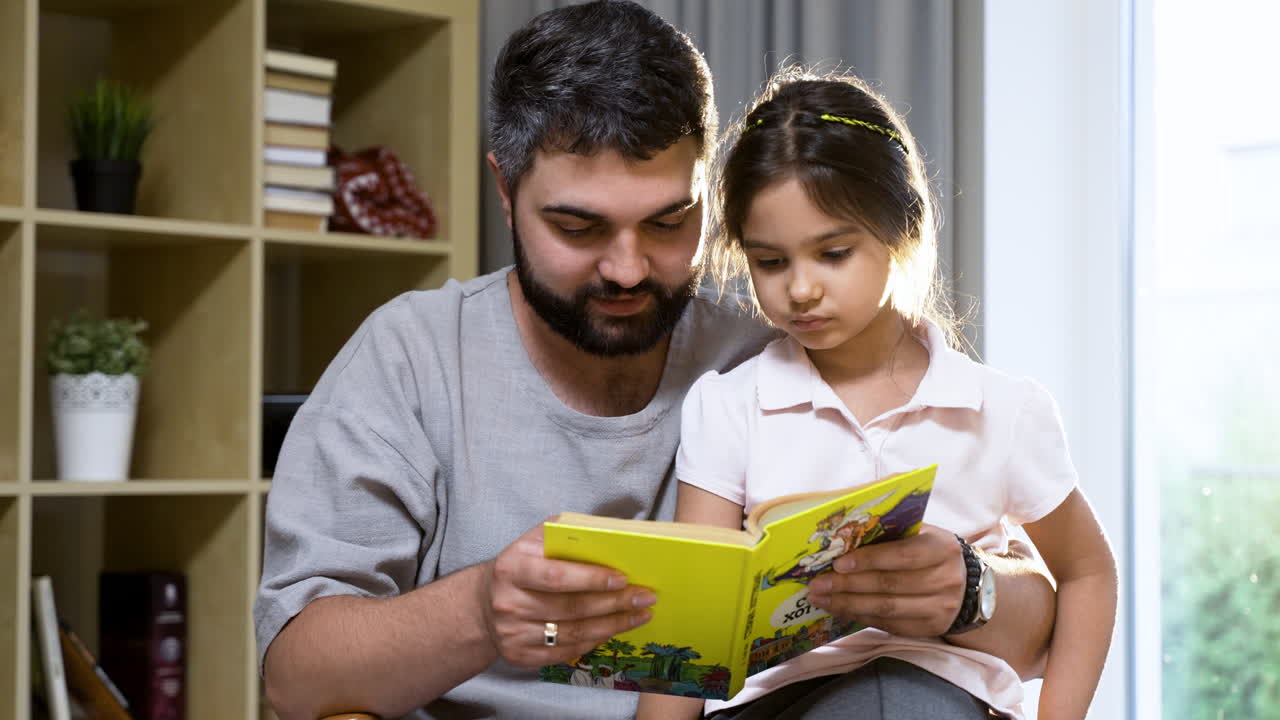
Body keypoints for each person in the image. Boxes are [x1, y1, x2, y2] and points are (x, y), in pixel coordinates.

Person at [254, 3, 1061, 719]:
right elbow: (296, 682)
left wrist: (968, 590)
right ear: (505, 193)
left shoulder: (781, 355)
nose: (629, 269)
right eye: (578, 228)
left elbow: (1034, 633)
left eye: (673, 221)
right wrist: (481, 609)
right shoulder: (411, 359)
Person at [636, 70, 1118, 720]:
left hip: (947, 699)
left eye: (833, 253)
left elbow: (1089, 572)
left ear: (904, 230)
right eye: (770, 263)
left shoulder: (1004, 411)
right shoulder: (727, 406)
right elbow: (690, 625)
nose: (799, 289)